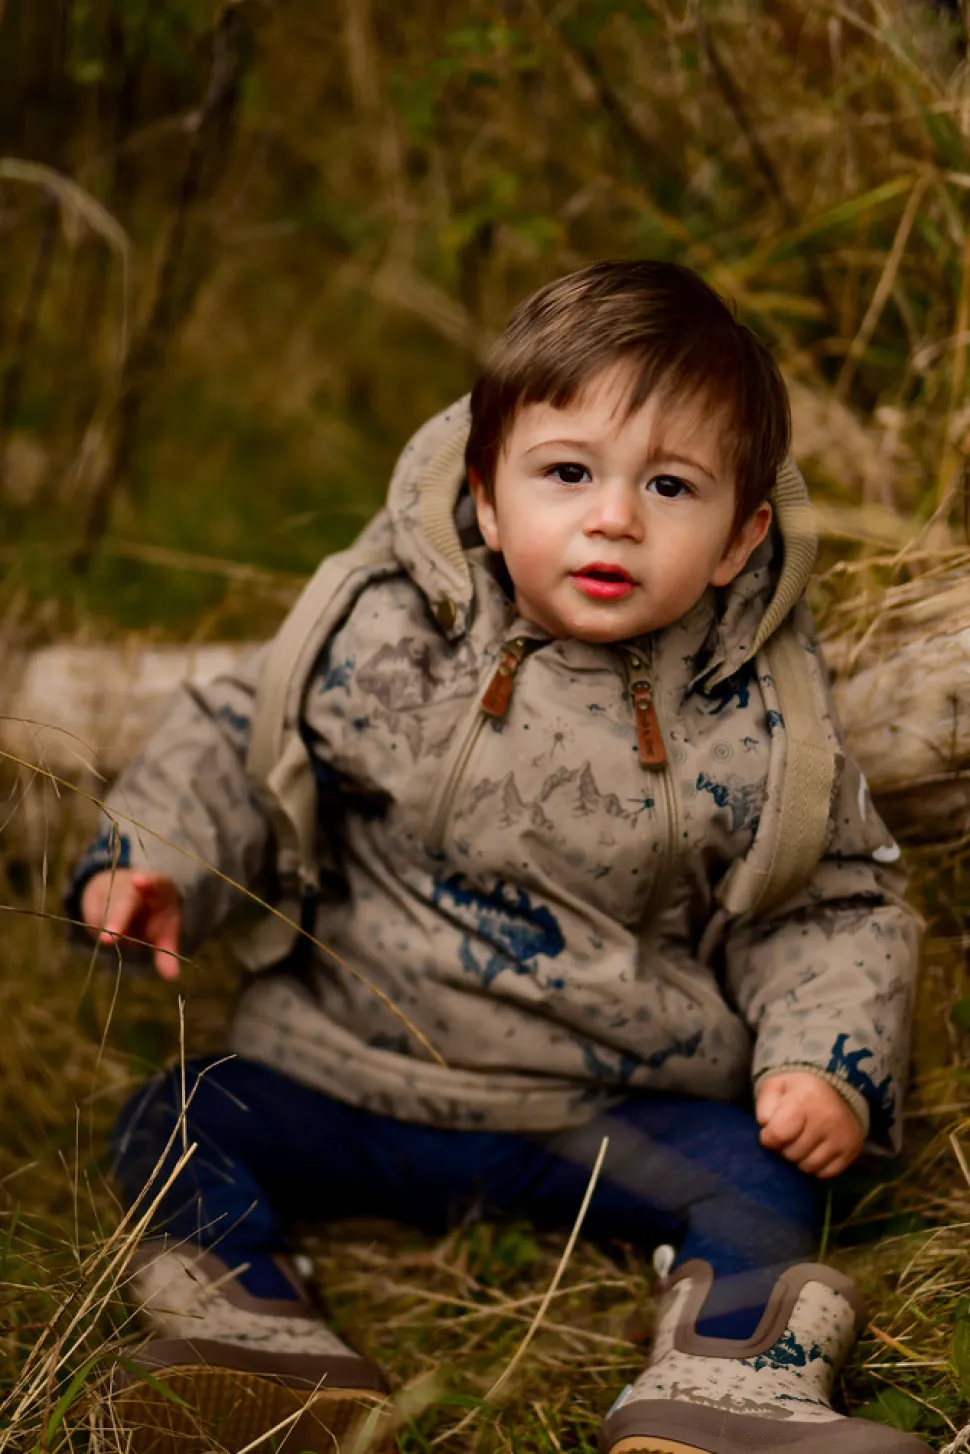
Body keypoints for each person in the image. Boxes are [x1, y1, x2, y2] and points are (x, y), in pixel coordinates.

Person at [72, 260, 928, 1454]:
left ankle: (726, 1384)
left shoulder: (754, 717)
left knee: (765, 1176)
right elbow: (240, 737)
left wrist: (825, 1062)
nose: (614, 516)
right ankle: (247, 1333)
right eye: (568, 473)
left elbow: (827, 900)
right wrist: (154, 861)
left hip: (604, 1108)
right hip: (349, 1067)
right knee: (175, 1117)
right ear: (484, 495)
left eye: (669, 485)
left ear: (740, 538)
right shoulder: (391, 634)